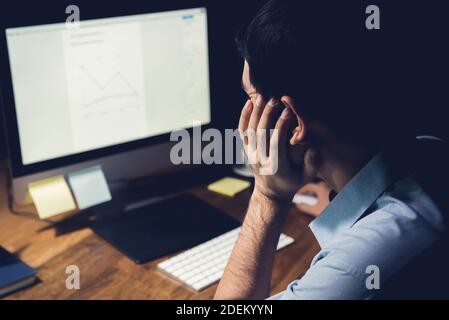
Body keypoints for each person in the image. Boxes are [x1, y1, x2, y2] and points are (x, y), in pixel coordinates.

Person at [214, 0, 447, 299]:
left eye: (252, 99)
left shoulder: (353, 268)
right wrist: (337, 201)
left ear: (293, 120)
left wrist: (268, 196)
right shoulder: (431, 150)